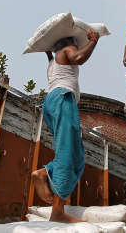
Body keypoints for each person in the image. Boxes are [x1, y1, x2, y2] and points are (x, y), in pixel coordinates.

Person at [31, 30, 100, 223]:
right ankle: (57, 211)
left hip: (52, 103)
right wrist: (93, 41)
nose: (76, 46)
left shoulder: (53, 62)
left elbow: (53, 57)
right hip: (63, 100)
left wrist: (47, 50)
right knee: (68, 153)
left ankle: (44, 174)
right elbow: (79, 57)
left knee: (76, 156)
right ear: (68, 42)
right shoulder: (68, 50)